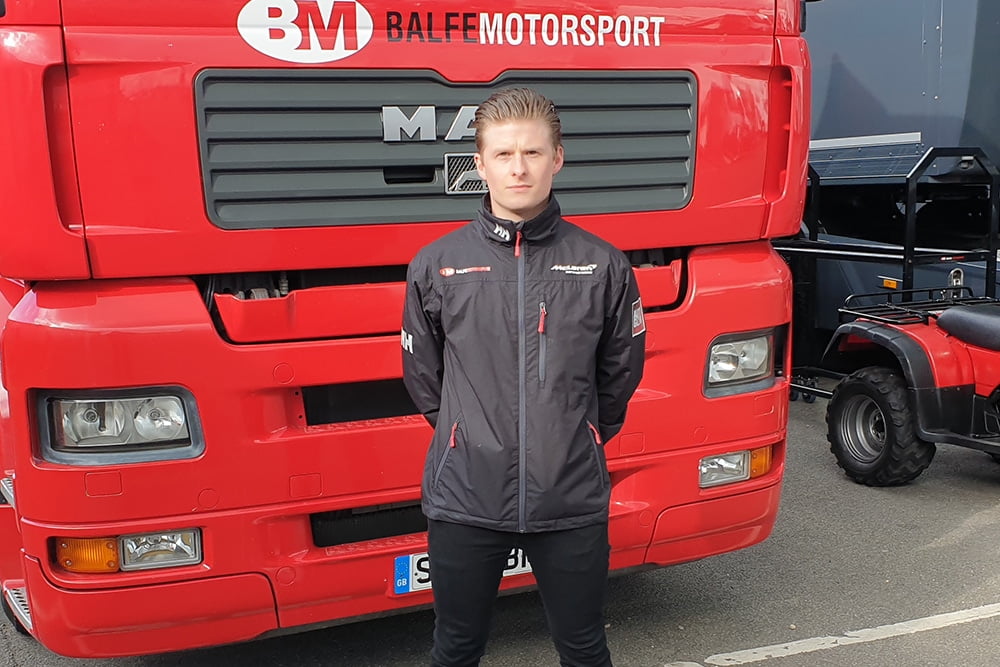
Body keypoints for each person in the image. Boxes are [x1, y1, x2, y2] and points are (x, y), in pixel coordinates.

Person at [401, 87, 645, 667]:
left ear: (557, 158)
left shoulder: (603, 264)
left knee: (584, 649)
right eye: (504, 154)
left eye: (532, 153)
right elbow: (424, 376)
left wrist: (579, 435)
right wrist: (463, 433)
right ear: (479, 164)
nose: (519, 168)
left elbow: (619, 373)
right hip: (465, 496)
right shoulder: (436, 265)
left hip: (569, 495)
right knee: (455, 649)